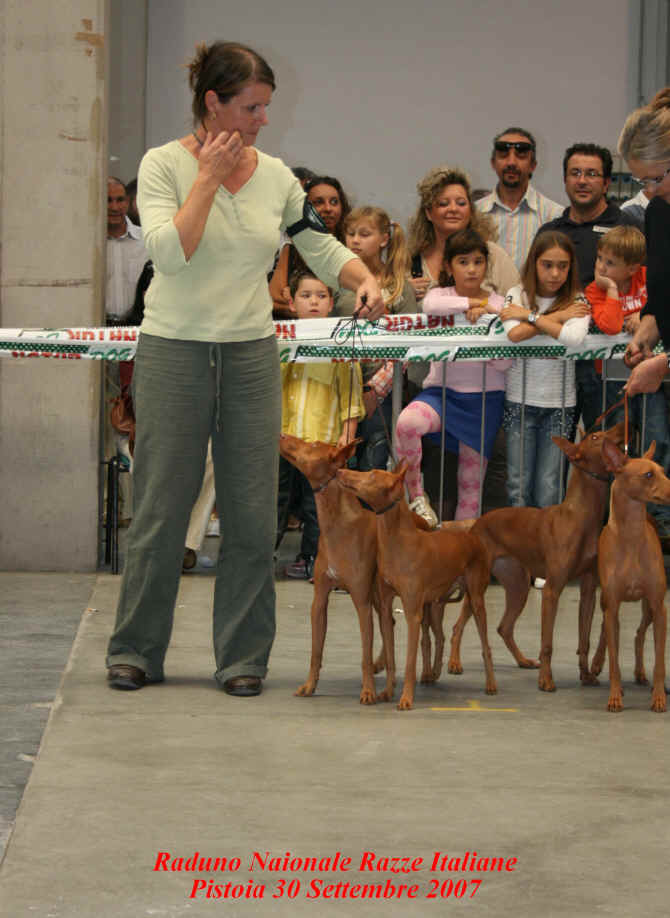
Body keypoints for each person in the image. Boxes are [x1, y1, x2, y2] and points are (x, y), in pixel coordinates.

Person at [105, 41, 383, 696]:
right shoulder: (162, 166)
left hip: (253, 353)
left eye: (266, 108)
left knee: (253, 514)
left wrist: (361, 274)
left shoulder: (279, 177)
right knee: (159, 510)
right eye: (252, 107)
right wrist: (204, 179)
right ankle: (134, 649)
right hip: (174, 349)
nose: (262, 120)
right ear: (214, 103)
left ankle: (242, 659)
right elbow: (170, 257)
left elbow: (316, 239)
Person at [395, 229, 511, 526]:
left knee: (470, 489)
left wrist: (486, 311)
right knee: (407, 423)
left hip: (484, 401)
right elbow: (430, 306)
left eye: (477, 261)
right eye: (462, 262)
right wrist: (471, 306)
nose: (471, 269)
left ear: (487, 265)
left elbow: (504, 362)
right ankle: (417, 498)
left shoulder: (501, 303)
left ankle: (460, 562)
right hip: (441, 394)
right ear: (449, 266)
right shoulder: (440, 295)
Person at [537, 143, 638, 432]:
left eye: (592, 173)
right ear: (565, 179)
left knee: (608, 450)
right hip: (557, 356)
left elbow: (647, 281)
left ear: (607, 182)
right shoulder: (550, 232)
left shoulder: (627, 228)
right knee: (555, 451)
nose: (582, 180)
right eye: (575, 173)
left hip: (609, 357)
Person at [586, 225, 670, 547]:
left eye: (610, 263)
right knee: (616, 449)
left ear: (634, 268)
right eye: (599, 259)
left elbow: (661, 309)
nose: (601, 267)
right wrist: (611, 291)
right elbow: (608, 325)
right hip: (608, 380)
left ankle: (658, 518)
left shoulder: (649, 279)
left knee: (656, 437)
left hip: (650, 377)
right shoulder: (596, 289)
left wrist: (645, 316)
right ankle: (614, 518)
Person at [278, 271, 364, 579]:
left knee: (319, 506)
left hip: (323, 443)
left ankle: (315, 558)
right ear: (291, 302)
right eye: (305, 296)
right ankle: (262, 555)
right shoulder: (281, 339)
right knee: (277, 498)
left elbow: (351, 392)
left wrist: (348, 433)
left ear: (331, 303)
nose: (313, 301)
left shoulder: (341, 340)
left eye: (321, 296)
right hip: (284, 439)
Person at [500, 231, 590, 510]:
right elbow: (514, 334)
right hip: (519, 400)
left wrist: (531, 316)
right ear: (534, 263)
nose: (554, 273)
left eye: (562, 266)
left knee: (550, 487)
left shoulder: (577, 298)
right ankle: (519, 550)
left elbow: (573, 338)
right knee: (518, 484)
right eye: (547, 265)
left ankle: (545, 550)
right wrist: (558, 319)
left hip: (560, 404)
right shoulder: (516, 294)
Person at [339, 206, 416, 470]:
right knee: (339, 463)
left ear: (384, 239)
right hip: (338, 387)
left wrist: (375, 389)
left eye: (364, 234)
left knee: (373, 462)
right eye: (350, 234)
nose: (355, 240)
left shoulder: (398, 285)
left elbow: (408, 343)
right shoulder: (336, 282)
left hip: (381, 393)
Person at [620, 89, 670, 398]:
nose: (649, 190)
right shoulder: (659, 213)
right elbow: (662, 302)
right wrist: (644, 336)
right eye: (642, 182)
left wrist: (665, 365)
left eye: (656, 178)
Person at [477, 127, 563, 270]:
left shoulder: (555, 216)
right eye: (503, 155)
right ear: (493, 163)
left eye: (520, 156)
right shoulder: (474, 214)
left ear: (533, 165)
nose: (511, 162)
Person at [269, 175, 351, 317]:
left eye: (334, 202)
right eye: (318, 202)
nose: (328, 208)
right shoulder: (293, 247)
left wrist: (299, 300)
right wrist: (312, 315)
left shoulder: (352, 246)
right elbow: (273, 301)